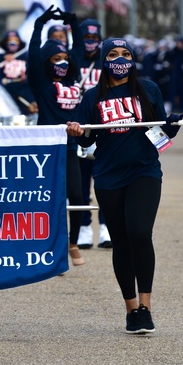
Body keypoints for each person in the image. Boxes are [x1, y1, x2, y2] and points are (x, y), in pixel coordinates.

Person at [66, 37, 183, 334]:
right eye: (114, 55)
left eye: (126, 54)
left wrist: (172, 126)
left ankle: (146, 307)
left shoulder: (148, 89)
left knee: (140, 233)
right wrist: (77, 132)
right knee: (121, 241)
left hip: (144, 171)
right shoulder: (92, 97)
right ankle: (131, 309)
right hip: (107, 176)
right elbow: (87, 140)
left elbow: (159, 133)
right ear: (105, 60)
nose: (120, 59)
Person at [28, 6, 86, 266]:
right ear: (47, 63)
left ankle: (72, 243)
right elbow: (32, 56)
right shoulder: (41, 82)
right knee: (51, 197)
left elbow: (79, 51)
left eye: (64, 58)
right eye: (55, 59)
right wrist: (39, 26)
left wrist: (73, 22)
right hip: (47, 146)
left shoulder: (73, 78)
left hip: (71, 145)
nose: (62, 62)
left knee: (77, 196)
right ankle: (52, 247)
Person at [74, 18, 110, 250]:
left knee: (106, 181)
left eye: (94, 38)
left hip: (103, 124)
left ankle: (106, 227)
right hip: (78, 124)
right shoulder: (71, 59)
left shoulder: (106, 62)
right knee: (80, 184)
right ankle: (84, 227)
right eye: (86, 38)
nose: (90, 42)